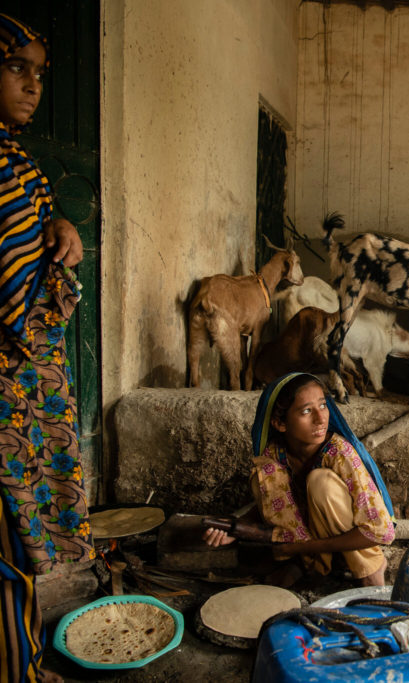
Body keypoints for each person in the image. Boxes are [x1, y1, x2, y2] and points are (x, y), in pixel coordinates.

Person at [0, 13, 90, 683]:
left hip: (24, 391)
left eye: (38, 74)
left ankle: (25, 658)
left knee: (19, 541)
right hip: (3, 386)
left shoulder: (15, 159)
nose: (31, 86)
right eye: (14, 68)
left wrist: (59, 223)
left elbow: (29, 232)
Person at [203, 373, 395, 587]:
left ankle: (370, 569)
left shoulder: (340, 453)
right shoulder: (276, 455)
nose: (321, 418)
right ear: (280, 423)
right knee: (264, 474)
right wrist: (234, 529)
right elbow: (270, 503)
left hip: (340, 540)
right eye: (306, 411)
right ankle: (308, 566)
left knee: (320, 482)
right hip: (309, 542)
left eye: (323, 406)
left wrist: (297, 548)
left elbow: (379, 531)